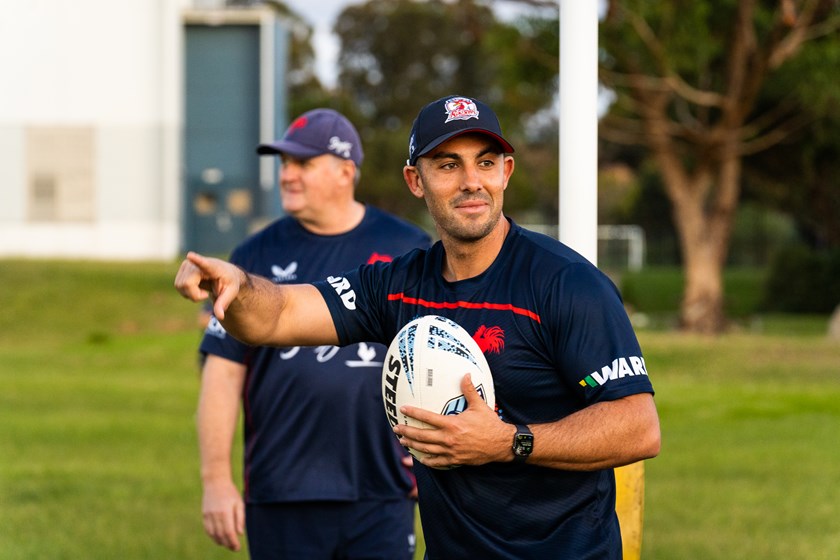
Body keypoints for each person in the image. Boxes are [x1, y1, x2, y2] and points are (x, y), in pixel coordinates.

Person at [177, 95, 661, 559]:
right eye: (448, 165)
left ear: (506, 172)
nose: (472, 180)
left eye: (486, 162)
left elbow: (638, 427)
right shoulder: (401, 285)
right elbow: (279, 314)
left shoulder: (567, 284)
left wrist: (507, 441)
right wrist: (239, 284)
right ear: (416, 180)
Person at [195, 108, 431, 559]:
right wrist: (216, 481)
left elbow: (445, 358)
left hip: (383, 491)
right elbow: (222, 374)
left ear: (346, 172)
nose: (287, 175)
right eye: (284, 164)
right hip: (281, 491)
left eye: (302, 163)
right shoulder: (252, 255)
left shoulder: (409, 250)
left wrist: (438, 461)